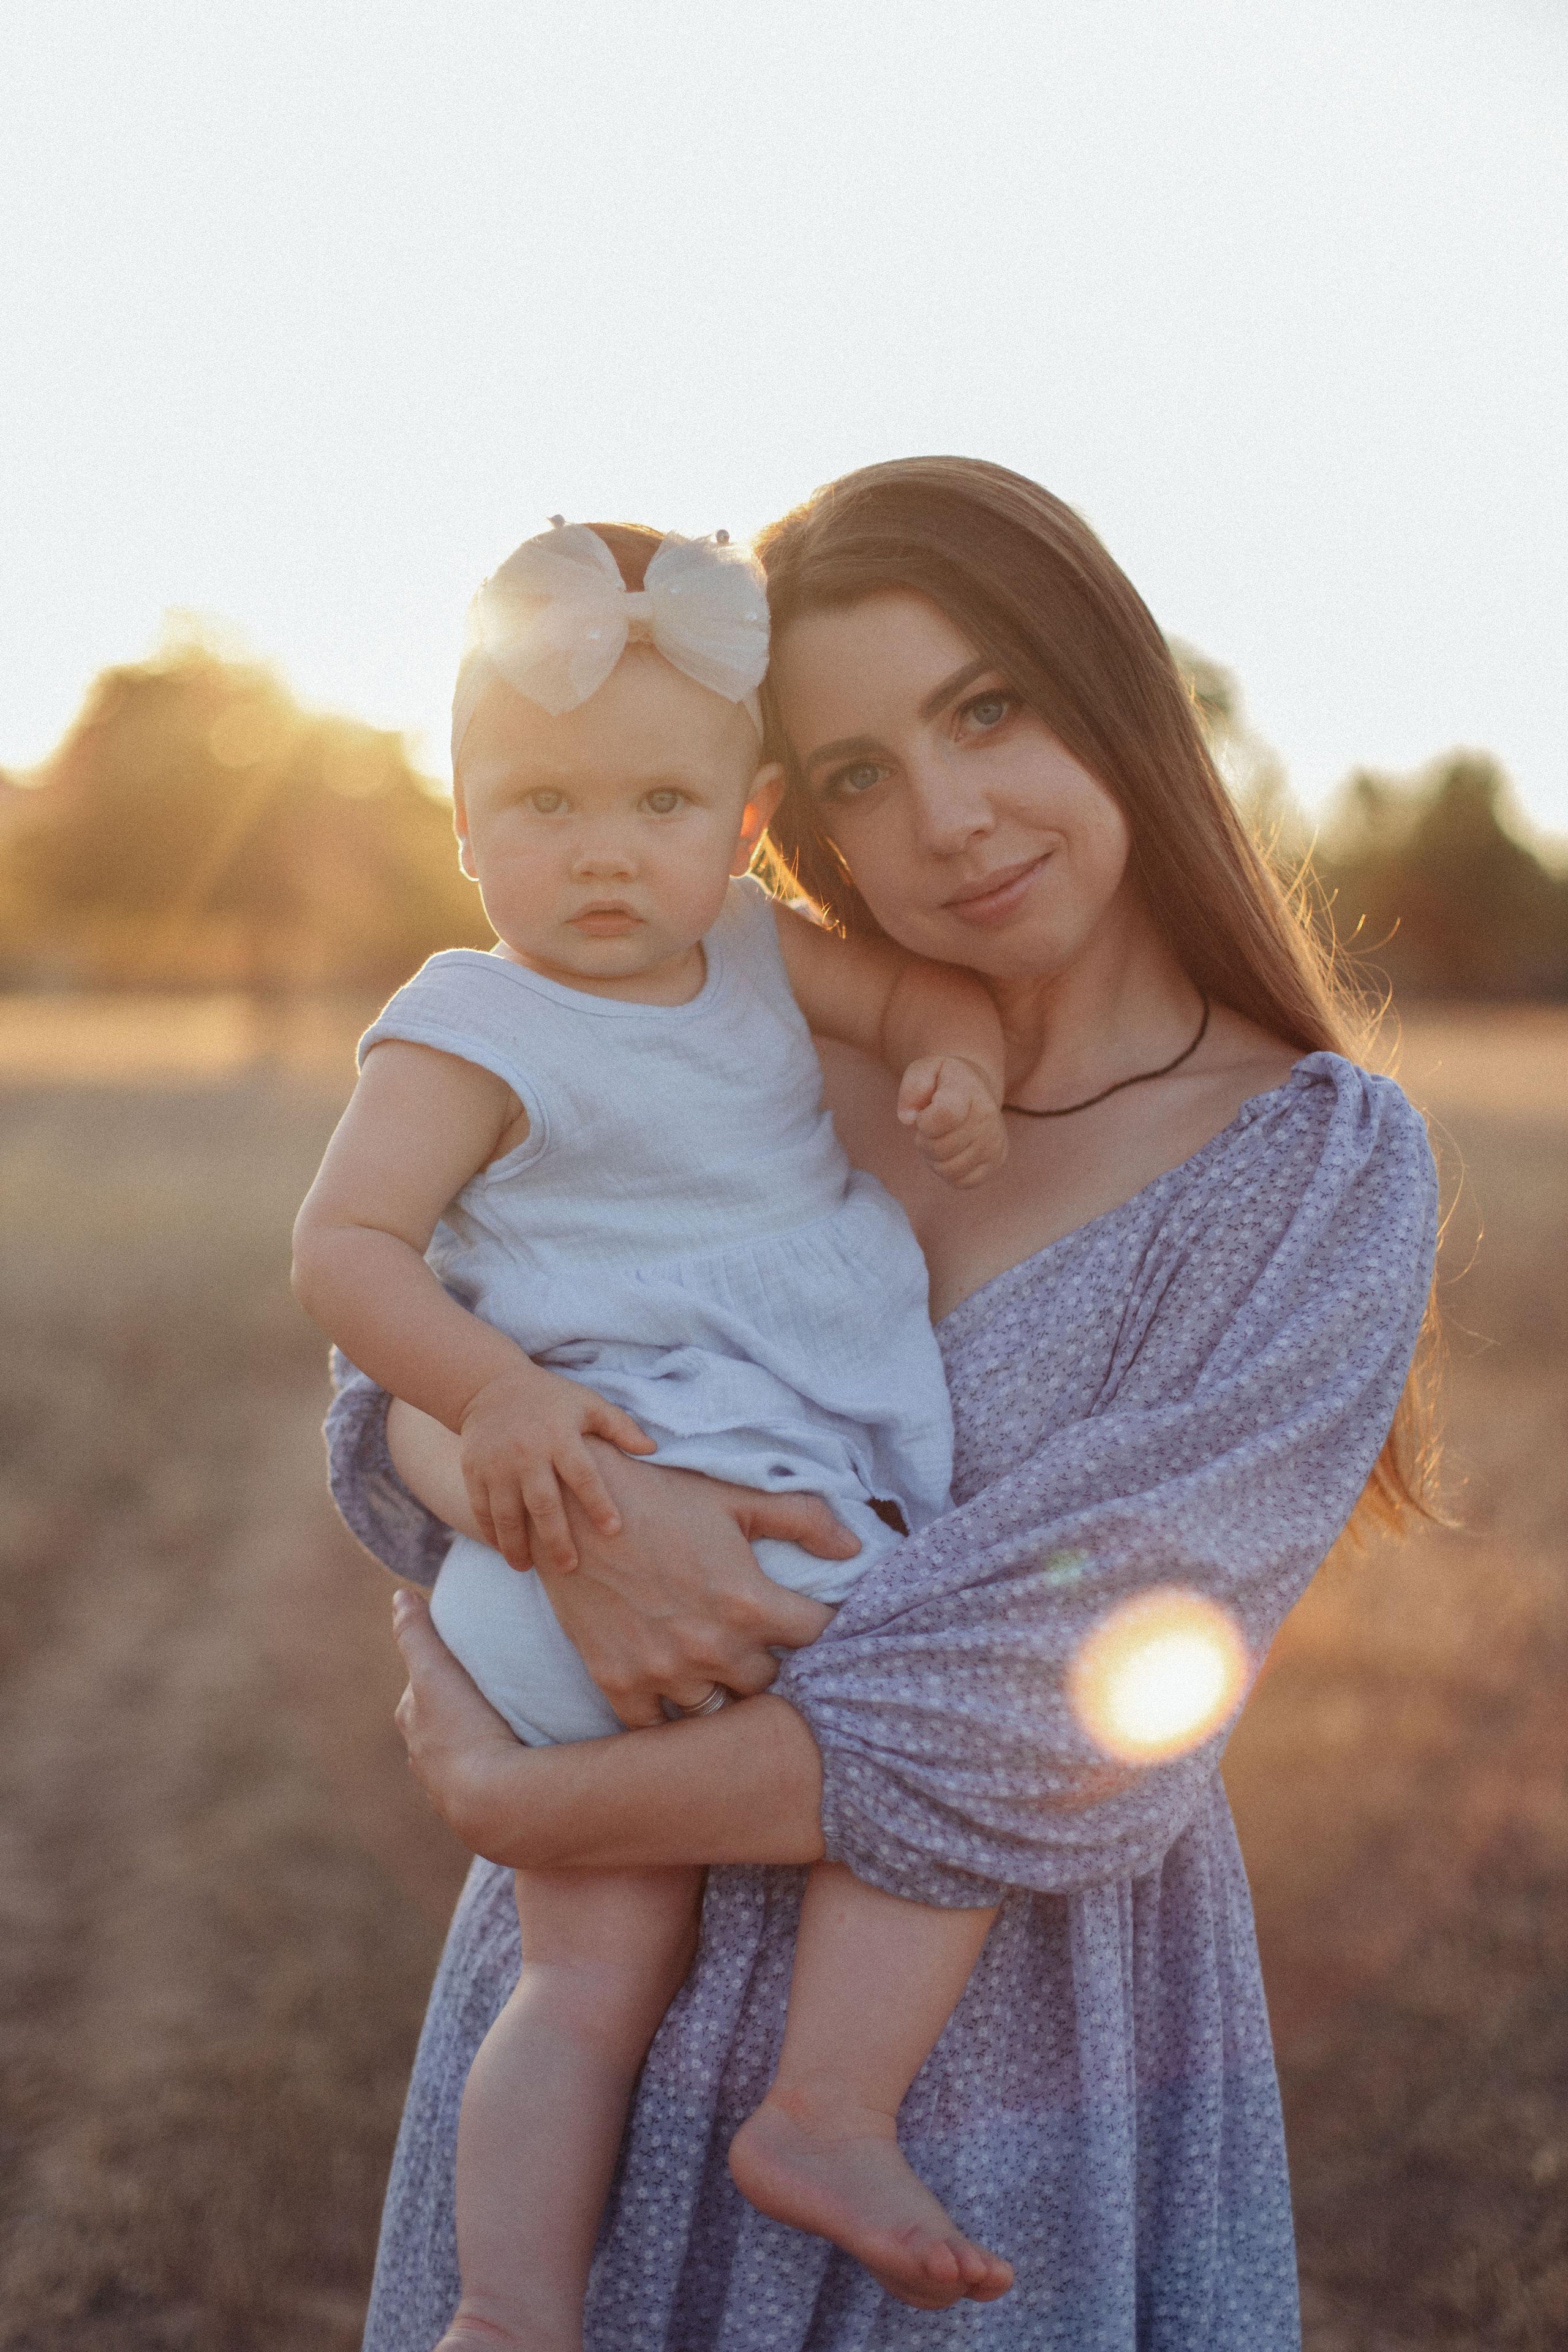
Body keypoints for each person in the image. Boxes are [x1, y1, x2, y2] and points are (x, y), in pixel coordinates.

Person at [329, 456, 1442, 2352]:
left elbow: (1058, 1695)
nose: (942, 820)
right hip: (595, 2008)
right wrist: (591, 1525)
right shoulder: (742, 1048)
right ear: (788, 812)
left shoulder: (1314, 1169)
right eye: (855, 773)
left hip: (1007, 2053)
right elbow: (390, 1368)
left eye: (984, 710)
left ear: (1112, 693)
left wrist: (543, 1796)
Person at [295, 516, 1024, 2352]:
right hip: (621, 1499)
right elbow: (343, 1250)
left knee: (582, 1975)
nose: (602, 849)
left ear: (748, 823)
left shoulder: (771, 964)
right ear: (458, 826)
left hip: (672, 1513)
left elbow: (928, 993)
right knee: (958, 1730)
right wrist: (495, 1391)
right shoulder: (465, 1023)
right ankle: (828, 2113)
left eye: (657, 804)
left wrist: (959, 1064)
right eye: (539, 804)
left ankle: (510, 2317)